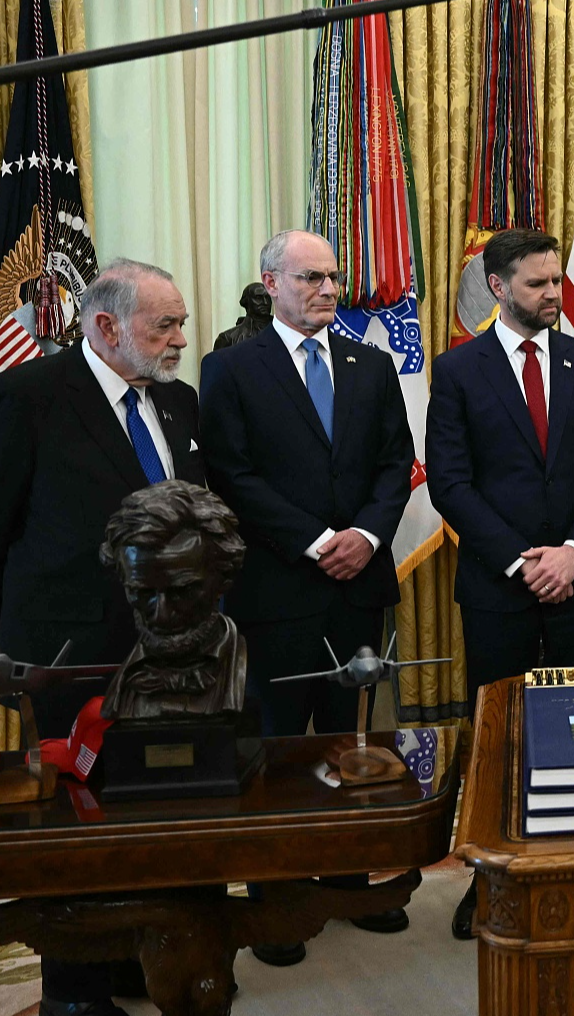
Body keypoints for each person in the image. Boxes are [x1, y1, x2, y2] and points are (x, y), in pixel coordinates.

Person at [0, 258, 199, 1016]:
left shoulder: (180, 404)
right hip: (68, 657)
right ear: (104, 327)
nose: (180, 340)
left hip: (172, 646)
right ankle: (72, 989)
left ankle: (131, 953)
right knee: (77, 822)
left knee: (157, 810)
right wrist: (20, 647)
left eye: (181, 323)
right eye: (165, 325)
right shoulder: (24, 399)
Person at [199, 230, 416, 957]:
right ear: (270, 282)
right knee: (281, 745)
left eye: (333, 276)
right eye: (311, 278)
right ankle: (278, 896)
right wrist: (319, 541)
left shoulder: (370, 363)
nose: (328, 289)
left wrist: (369, 536)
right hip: (280, 584)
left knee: (349, 739)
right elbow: (232, 475)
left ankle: (349, 879)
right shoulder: (230, 369)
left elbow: (396, 465)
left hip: (359, 586)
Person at [425, 228, 574, 939]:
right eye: (539, 284)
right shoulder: (458, 370)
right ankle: (489, 881)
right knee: (499, 741)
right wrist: (523, 560)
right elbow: (451, 483)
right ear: (499, 286)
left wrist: (572, 552)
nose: (553, 294)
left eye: (556, 282)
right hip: (498, 587)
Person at [97, 480, 250, 720]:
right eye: (142, 592)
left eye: (183, 591)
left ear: (224, 580)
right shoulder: (118, 688)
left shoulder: (254, 679)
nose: (162, 615)